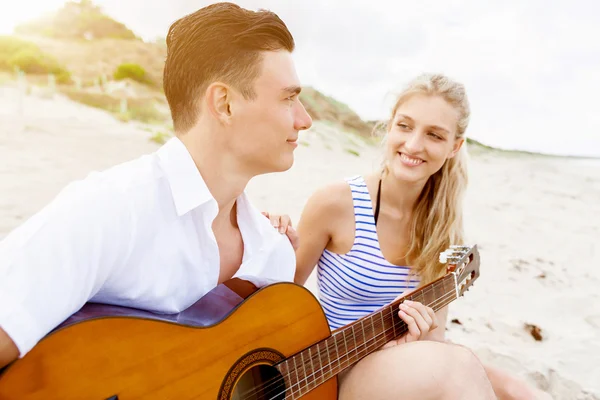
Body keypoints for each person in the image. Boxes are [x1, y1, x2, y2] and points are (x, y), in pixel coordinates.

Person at [0, 4, 496, 399]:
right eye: (288, 98)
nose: (305, 119)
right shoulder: (111, 209)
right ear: (225, 103)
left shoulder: (271, 252)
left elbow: (277, 375)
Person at [266, 73, 550, 399]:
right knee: (457, 369)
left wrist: (419, 336)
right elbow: (280, 302)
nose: (414, 145)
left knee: (520, 391)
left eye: (434, 135)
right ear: (389, 127)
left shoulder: (444, 228)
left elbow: (436, 340)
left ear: (454, 147)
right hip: (331, 372)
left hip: (399, 365)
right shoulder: (335, 202)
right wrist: (277, 245)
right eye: (405, 126)